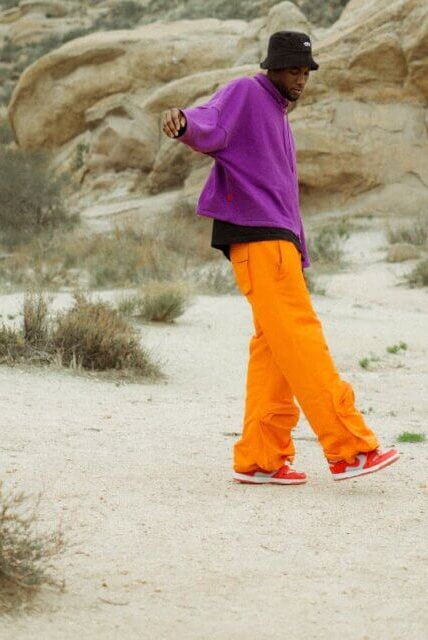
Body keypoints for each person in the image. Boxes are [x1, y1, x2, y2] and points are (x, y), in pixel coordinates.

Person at [160, 30, 399, 485]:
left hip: (274, 244)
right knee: (302, 340)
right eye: (294, 69)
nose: (302, 79)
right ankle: (349, 449)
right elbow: (207, 121)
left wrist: (299, 251)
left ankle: (260, 458)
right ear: (272, 67)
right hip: (260, 241)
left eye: (306, 71)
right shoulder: (249, 92)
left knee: (274, 350)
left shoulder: (278, 114)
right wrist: (183, 122)